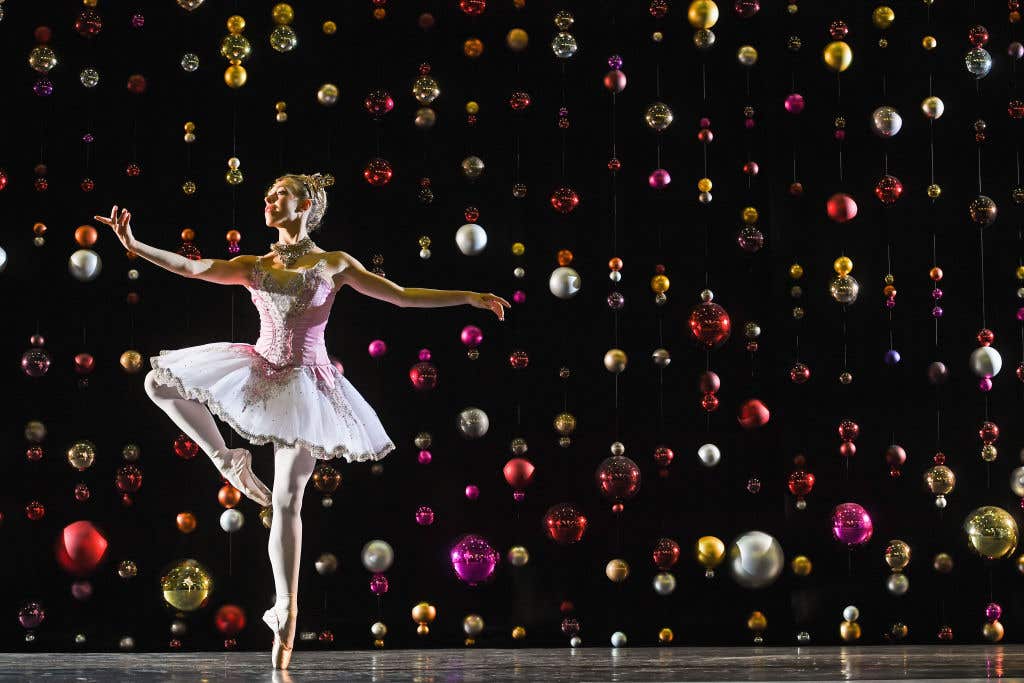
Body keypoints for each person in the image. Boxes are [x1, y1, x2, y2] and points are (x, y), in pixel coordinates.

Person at [94, 172, 509, 670]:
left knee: (289, 498)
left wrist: (465, 296)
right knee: (158, 382)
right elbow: (192, 266)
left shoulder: (333, 264)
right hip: (257, 368)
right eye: (267, 194)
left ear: (305, 203)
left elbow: (399, 295)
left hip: (307, 385)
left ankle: (286, 606)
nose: (268, 200)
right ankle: (228, 460)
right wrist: (135, 244)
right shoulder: (255, 264)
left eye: (279, 194)